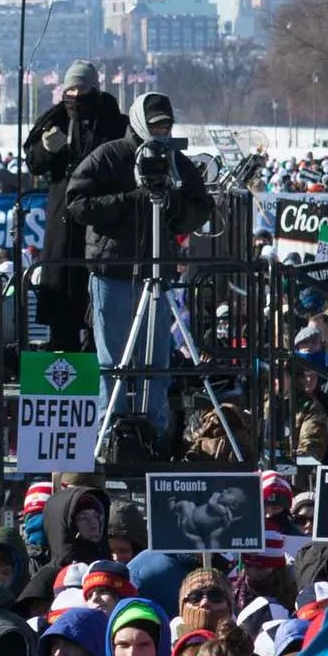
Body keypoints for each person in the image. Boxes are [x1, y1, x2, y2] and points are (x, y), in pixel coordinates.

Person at [62, 92, 214, 436]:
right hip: (112, 274)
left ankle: (153, 433)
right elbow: (77, 202)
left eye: (167, 127)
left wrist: (171, 203)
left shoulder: (177, 162)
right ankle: (112, 432)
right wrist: (131, 201)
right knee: (111, 362)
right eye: (156, 126)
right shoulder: (110, 155)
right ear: (140, 122)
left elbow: (200, 208)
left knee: (157, 361)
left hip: (157, 275)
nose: (161, 133)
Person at [24, 63, 129, 353]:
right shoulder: (55, 120)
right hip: (63, 219)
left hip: (100, 220)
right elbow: (35, 162)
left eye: (81, 89)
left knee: (99, 294)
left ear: (93, 89)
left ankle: (99, 353)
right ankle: (63, 346)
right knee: (61, 289)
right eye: (69, 90)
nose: (75, 95)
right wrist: (48, 149)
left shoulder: (114, 123)